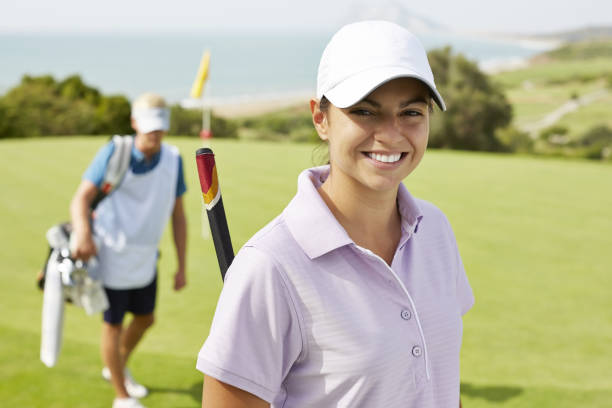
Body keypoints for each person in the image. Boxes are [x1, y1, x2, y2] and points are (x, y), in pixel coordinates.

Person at [196, 20, 473, 408]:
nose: (392, 135)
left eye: (411, 112)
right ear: (320, 118)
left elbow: (441, 381)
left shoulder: (436, 231)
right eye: (364, 111)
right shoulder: (270, 266)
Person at [70, 92, 188, 408]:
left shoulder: (174, 159)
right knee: (113, 324)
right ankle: (122, 397)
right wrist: (83, 233)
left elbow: (179, 215)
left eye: (160, 125)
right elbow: (81, 198)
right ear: (135, 122)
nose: (155, 132)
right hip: (110, 255)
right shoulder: (115, 151)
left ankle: (117, 367)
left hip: (145, 257)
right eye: (149, 125)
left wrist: (182, 265)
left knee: (146, 319)